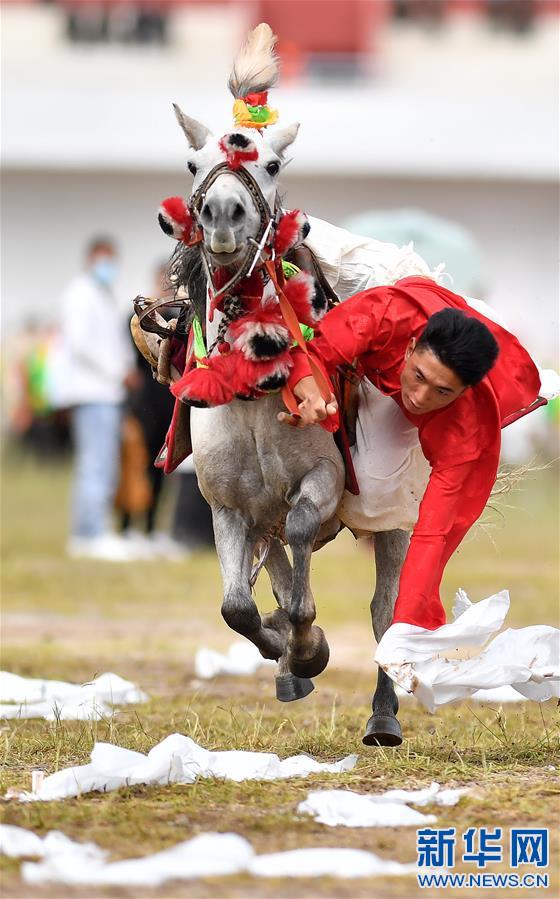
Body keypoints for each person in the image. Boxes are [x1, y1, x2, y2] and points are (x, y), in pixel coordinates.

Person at [280, 275, 544, 631]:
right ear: (410, 347)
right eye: (419, 376)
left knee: (373, 496)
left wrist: (407, 628)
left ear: (464, 391)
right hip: (394, 286)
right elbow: (312, 352)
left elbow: (434, 532)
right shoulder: (381, 314)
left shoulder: (466, 423)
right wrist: (309, 393)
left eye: (441, 391)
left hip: (466, 327)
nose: (420, 397)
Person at [60, 236, 138, 561]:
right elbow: (81, 343)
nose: (109, 266)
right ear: (91, 258)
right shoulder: (80, 293)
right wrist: (116, 371)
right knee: (97, 463)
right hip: (93, 391)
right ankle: (90, 533)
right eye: (104, 258)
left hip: (106, 393)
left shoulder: (101, 294)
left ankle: (91, 529)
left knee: (103, 462)